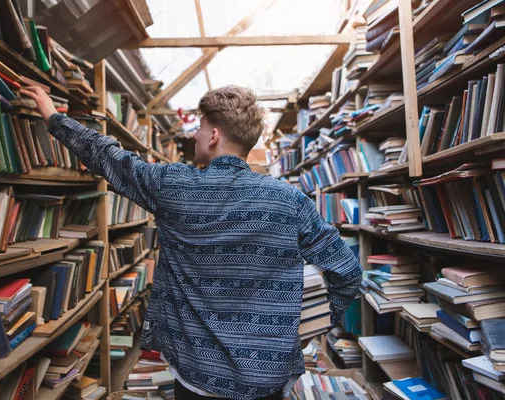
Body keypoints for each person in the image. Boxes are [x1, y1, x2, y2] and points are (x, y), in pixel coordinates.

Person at [20, 85, 362, 400]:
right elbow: (347, 272)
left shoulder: (173, 186)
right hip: (267, 378)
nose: (195, 135)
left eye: (199, 128)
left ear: (213, 135)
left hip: (196, 374)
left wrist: (53, 117)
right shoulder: (291, 201)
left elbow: (110, 159)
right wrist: (302, 330)